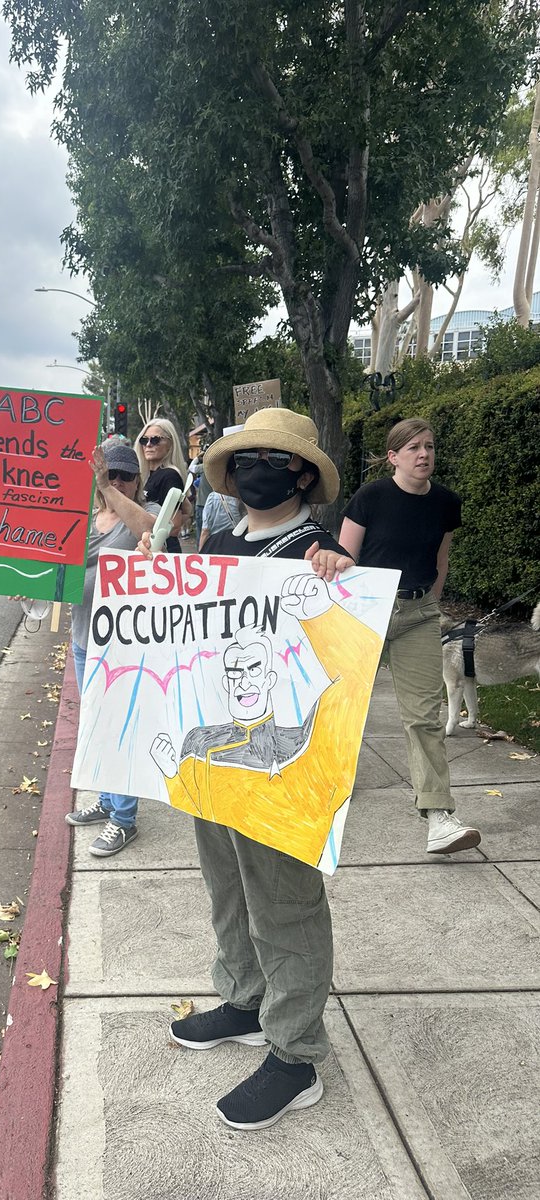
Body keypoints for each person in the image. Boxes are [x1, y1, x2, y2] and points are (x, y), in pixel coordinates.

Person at [141, 407, 354, 1132]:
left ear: (301, 471)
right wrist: (154, 574)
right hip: (216, 753)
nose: (259, 468)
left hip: (280, 768)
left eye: (276, 457)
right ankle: (244, 1001)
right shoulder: (220, 542)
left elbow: (348, 655)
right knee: (226, 886)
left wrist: (339, 582)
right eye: (247, 456)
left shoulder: (317, 552)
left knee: (285, 901)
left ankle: (295, 1056)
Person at [339, 417, 480, 855]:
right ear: (393, 456)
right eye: (414, 447)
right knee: (340, 704)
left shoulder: (445, 503)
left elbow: (441, 560)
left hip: (419, 614)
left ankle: (439, 815)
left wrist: (430, 604)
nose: (424, 454)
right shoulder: (370, 497)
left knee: (423, 717)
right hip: (367, 610)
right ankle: (319, 785)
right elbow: (345, 558)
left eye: (430, 446)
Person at [66, 439, 159, 857]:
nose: (116, 480)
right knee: (99, 728)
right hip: (84, 637)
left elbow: (151, 534)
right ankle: (107, 802)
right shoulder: (83, 518)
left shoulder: (149, 512)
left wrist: (111, 490)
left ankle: (124, 820)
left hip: (123, 645)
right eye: (109, 473)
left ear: (137, 481)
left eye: (125, 475)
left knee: (120, 729)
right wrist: (27, 587)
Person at [133, 418, 188, 553]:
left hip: (160, 551)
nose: (149, 444)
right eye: (144, 440)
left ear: (170, 443)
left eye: (155, 439)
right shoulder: (147, 475)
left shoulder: (169, 475)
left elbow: (174, 526)